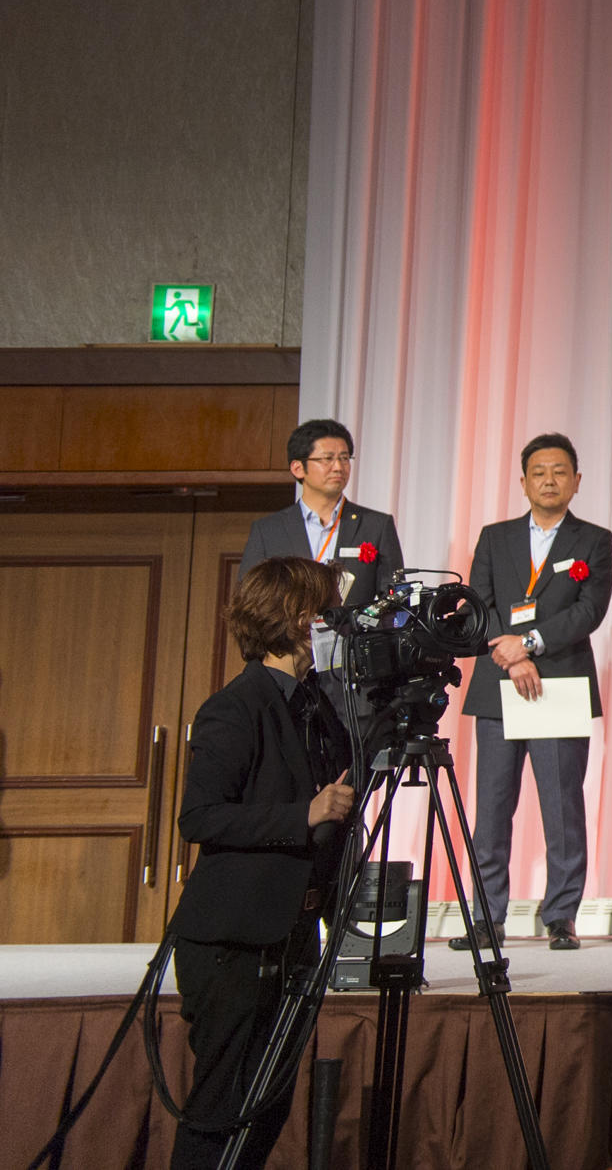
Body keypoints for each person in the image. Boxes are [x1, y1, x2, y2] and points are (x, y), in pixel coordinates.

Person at [168, 557, 354, 1170]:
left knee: (267, 1109)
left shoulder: (317, 706)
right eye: (327, 612)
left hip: (292, 939)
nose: (335, 624)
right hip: (233, 944)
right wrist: (303, 814)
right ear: (300, 619)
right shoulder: (235, 706)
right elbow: (199, 817)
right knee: (222, 1110)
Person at [456, 433, 612, 952]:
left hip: (559, 684)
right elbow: (477, 604)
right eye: (540, 472)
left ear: (576, 480)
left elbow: (589, 610)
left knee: (562, 807)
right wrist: (511, 654)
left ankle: (561, 915)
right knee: (492, 807)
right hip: (499, 683)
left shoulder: (594, 540)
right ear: (523, 481)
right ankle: (487, 915)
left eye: (560, 471)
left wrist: (528, 644)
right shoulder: (495, 536)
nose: (550, 480)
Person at [238, 418, 405, 735]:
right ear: (298, 468)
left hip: (352, 676)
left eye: (344, 458)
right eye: (327, 458)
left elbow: (392, 598)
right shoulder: (269, 529)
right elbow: (249, 598)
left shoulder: (375, 525)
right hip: (287, 666)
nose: (338, 466)